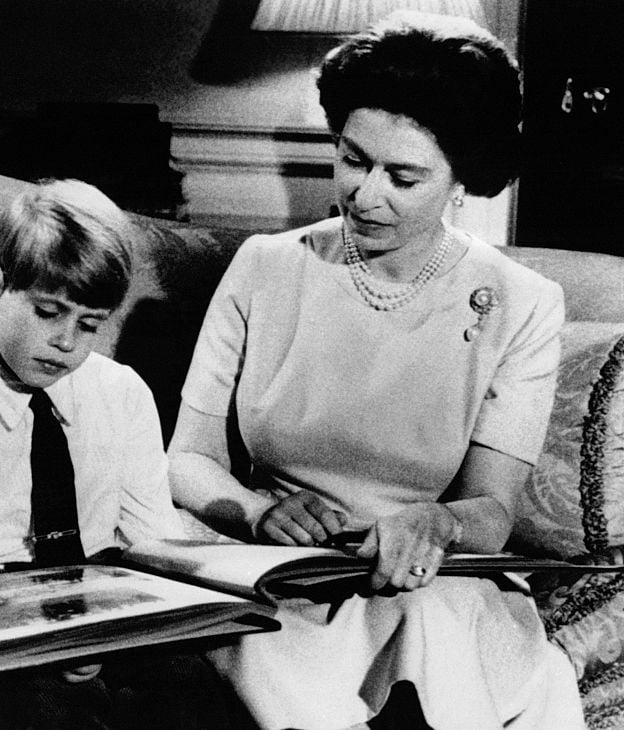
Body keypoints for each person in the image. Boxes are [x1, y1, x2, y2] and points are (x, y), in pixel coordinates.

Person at [167, 11, 585, 730]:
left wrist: (436, 524)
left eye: (403, 176)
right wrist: (259, 510)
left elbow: (490, 511)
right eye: (352, 158)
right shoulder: (265, 268)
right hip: (280, 574)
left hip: (431, 579)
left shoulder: (523, 303)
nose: (365, 194)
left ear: (461, 179)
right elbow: (189, 460)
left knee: (432, 624)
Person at [0, 179, 248, 729]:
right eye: (48, 312)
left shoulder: (121, 392)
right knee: (47, 712)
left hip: (108, 602)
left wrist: (122, 624)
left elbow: (154, 539)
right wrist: (62, 637)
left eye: (89, 324)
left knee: (189, 687)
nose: (67, 343)